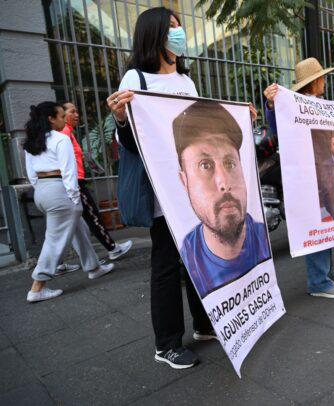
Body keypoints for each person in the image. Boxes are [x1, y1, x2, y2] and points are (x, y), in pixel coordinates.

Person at [107, 7, 215, 370]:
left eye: (179, 26)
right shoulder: (134, 79)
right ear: (153, 34)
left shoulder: (186, 82)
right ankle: (167, 343)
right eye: (171, 27)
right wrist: (121, 120)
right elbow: (132, 143)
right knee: (167, 264)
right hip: (161, 194)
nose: (178, 32)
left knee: (198, 256)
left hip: (191, 188)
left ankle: (203, 325)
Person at [263, 57, 334, 299]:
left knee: (327, 224)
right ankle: (318, 281)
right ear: (315, 81)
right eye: (322, 77)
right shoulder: (295, 105)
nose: (324, 81)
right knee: (317, 223)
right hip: (308, 178)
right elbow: (277, 124)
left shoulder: (319, 104)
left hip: (323, 175)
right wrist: (271, 106)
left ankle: (326, 272)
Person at [174, 101, 271, 298]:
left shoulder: (262, 238)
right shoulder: (190, 256)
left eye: (230, 163)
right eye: (205, 165)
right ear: (185, 181)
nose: (224, 183)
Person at [24, 102, 115, 303]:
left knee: (77, 227)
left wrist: (44, 190)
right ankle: (37, 286)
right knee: (55, 239)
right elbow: (68, 172)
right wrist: (74, 198)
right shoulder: (61, 139)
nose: (64, 119)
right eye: (60, 115)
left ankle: (93, 267)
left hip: (42, 191)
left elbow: (31, 175)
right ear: (51, 119)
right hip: (59, 191)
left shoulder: (33, 142)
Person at [56, 101, 132, 274]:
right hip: (74, 182)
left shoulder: (67, 134)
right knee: (92, 217)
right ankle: (112, 248)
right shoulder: (64, 134)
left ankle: (59, 263)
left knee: (70, 225)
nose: (76, 115)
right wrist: (74, 187)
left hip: (72, 182)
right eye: (72, 112)